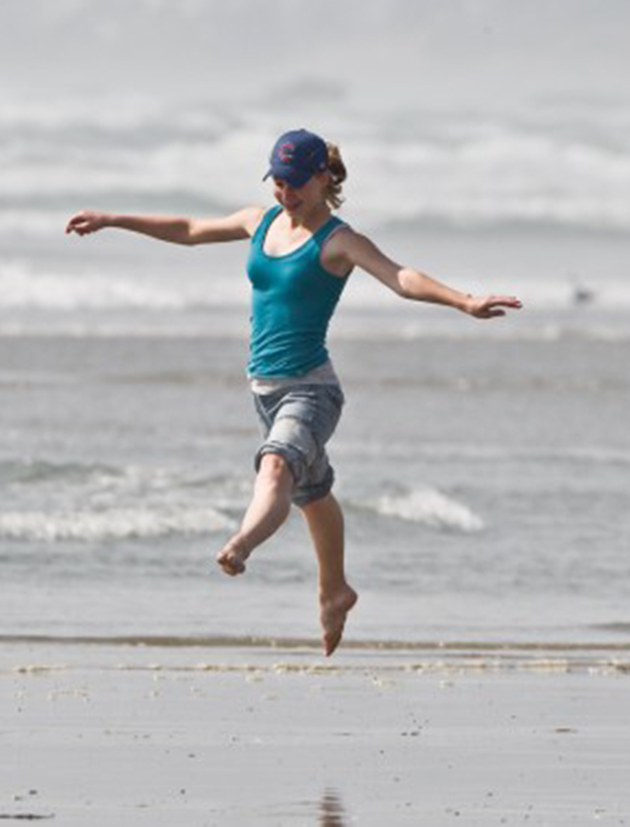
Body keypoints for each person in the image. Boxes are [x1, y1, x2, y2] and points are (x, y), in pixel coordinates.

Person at [65, 128, 521, 656]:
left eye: (295, 184)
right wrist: (114, 219)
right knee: (313, 492)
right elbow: (189, 228)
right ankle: (335, 590)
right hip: (264, 392)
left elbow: (400, 277)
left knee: (276, 467)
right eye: (278, 183)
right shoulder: (260, 221)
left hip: (312, 390)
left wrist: (464, 301)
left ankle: (241, 544)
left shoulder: (338, 241)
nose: (285, 194)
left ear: (324, 178)